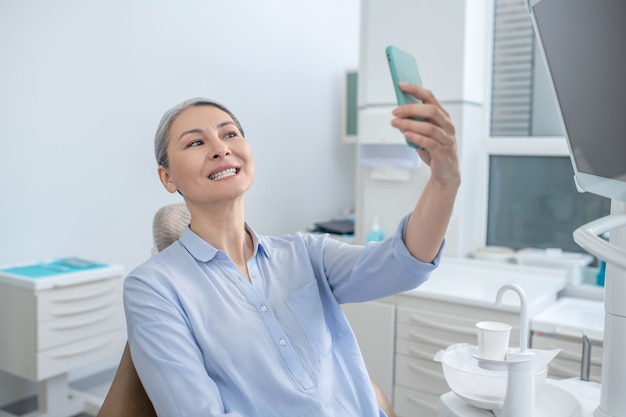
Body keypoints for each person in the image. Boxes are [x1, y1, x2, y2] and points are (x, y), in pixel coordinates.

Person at [123, 81, 460, 417]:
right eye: (196, 142)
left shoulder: (304, 252)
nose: (220, 149)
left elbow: (402, 264)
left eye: (229, 134)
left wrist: (444, 180)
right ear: (167, 178)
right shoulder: (153, 287)